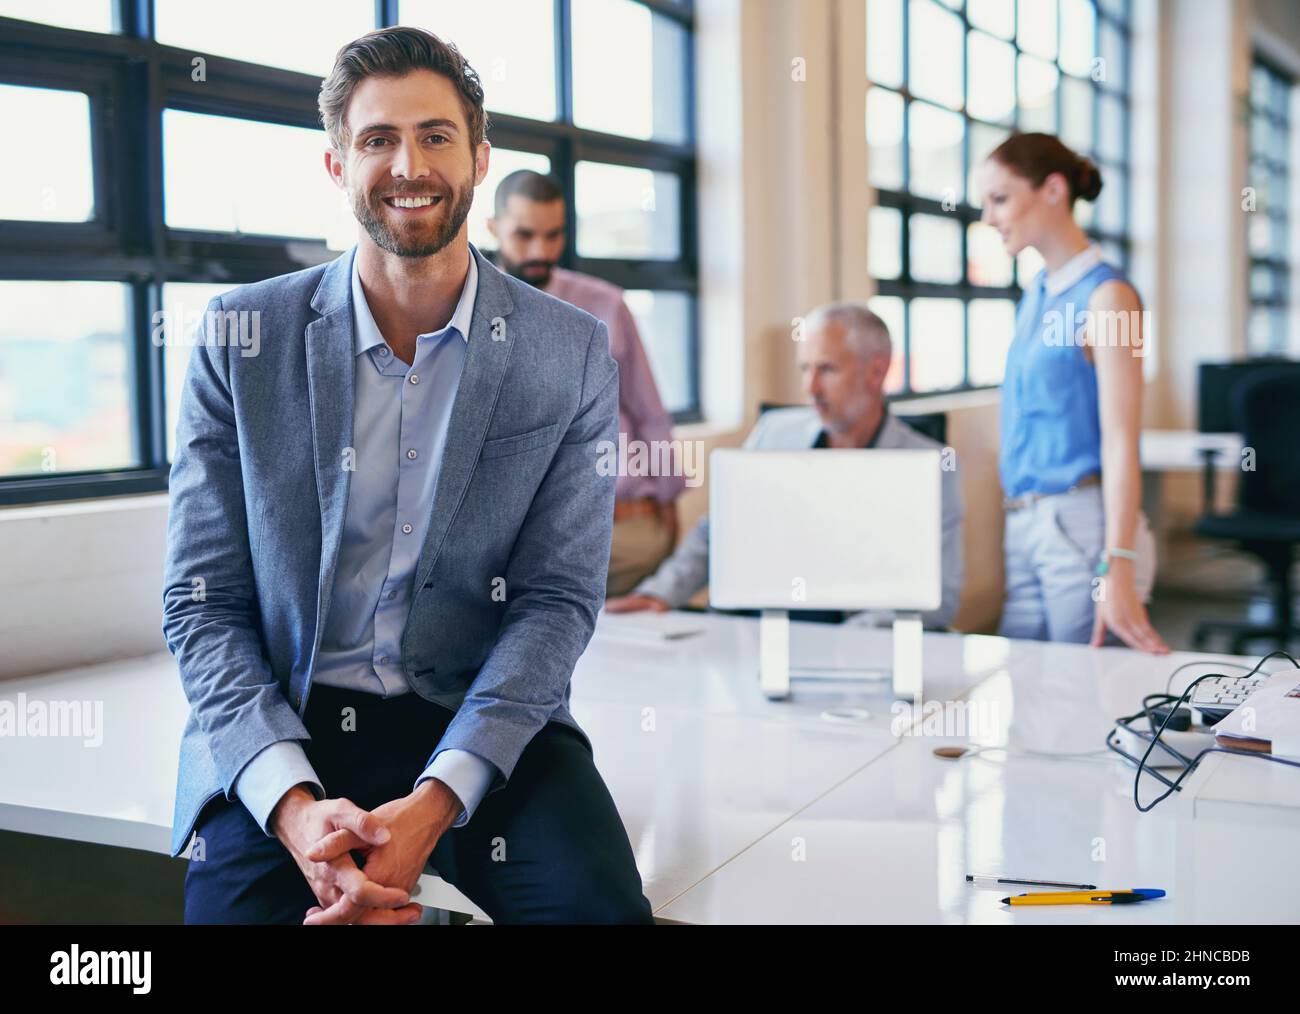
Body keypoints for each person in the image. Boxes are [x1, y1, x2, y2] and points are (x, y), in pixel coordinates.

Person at [164, 26, 653, 924]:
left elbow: (555, 603)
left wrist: (433, 809)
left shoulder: (568, 350)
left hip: (486, 717)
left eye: (435, 136)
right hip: (289, 721)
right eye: (377, 139)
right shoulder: (242, 338)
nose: (408, 164)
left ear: (479, 157)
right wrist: (296, 809)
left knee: (603, 914)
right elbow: (202, 603)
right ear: (336, 165)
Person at [606, 302, 965, 629]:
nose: (810, 387)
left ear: (876, 372)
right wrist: (658, 594)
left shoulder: (931, 467)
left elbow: (939, 599)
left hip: (856, 644)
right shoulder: (774, 433)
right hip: (756, 634)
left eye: (827, 369)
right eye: (805, 368)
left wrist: (842, 642)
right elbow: (717, 532)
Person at [977, 132, 1169, 653]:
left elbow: (1121, 441)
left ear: (1054, 190)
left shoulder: (1110, 298)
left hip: (1082, 526)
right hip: (1024, 523)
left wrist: (1119, 564)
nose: (989, 218)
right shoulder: (1035, 293)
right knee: (1032, 699)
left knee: (1081, 704)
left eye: (1000, 199)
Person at [487, 170, 685, 596]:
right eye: (525, 235)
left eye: (553, 235)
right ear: (493, 229)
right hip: (520, 543)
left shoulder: (607, 305)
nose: (541, 250)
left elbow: (648, 410)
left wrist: (669, 501)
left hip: (625, 533)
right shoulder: (470, 311)